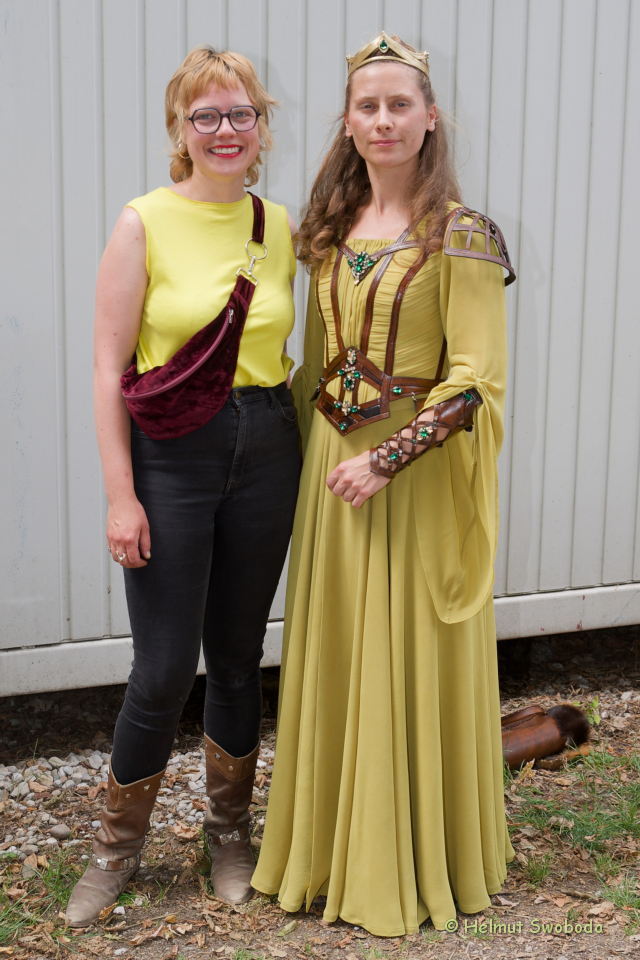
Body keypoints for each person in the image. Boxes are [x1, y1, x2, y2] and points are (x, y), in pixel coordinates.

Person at [251, 33, 516, 937]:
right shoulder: (326, 231)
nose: (384, 119)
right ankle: (328, 851)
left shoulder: (463, 236)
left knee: (404, 653)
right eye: (368, 106)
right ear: (348, 122)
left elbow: (475, 382)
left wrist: (388, 457)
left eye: (400, 104)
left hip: (409, 479)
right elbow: (310, 367)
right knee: (338, 653)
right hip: (334, 475)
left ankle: (411, 853)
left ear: (430, 116)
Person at [65, 46, 300, 927]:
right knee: (163, 666)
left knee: (237, 658)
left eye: (240, 113)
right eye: (206, 115)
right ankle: (114, 853)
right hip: (172, 457)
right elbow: (107, 368)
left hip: (268, 443)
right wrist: (121, 495)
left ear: (261, 124)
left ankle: (229, 835)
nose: (225, 130)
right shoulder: (144, 222)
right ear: (180, 127)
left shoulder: (277, 224)